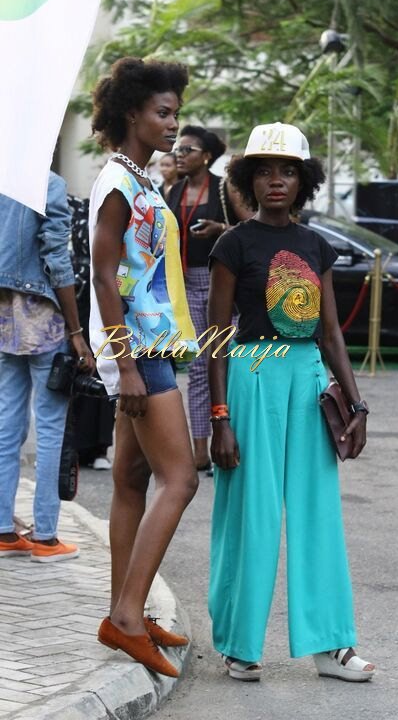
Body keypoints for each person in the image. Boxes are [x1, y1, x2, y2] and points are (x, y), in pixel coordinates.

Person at [207, 122, 375, 682]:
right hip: (252, 376)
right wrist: (219, 417)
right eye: (263, 171)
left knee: (317, 513)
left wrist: (357, 407)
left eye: (287, 171)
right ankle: (239, 644)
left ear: (304, 182)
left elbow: (330, 334)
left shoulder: (316, 245)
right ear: (247, 180)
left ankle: (331, 645)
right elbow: (217, 338)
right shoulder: (233, 245)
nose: (275, 180)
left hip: (307, 380)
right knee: (250, 514)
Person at [89, 57, 199, 677]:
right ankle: (127, 618)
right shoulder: (118, 183)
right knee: (180, 479)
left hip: (152, 343)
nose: (173, 124)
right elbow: (104, 276)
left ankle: (124, 608)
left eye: (176, 113)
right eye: (163, 112)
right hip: (138, 350)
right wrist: (125, 365)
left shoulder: (141, 179)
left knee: (131, 479)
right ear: (132, 112)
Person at [0, 172, 95, 562]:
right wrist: (76, 330)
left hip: (4, 314)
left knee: (7, 423)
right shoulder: (46, 182)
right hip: (44, 313)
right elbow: (57, 258)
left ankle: (4, 532)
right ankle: (46, 537)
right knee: (52, 425)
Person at [167, 125, 252, 475]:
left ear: (205, 156)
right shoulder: (174, 190)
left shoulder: (224, 186)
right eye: (177, 149)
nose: (179, 155)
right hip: (185, 284)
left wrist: (220, 230)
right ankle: (200, 450)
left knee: (226, 363)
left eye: (187, 150)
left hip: (221, 283)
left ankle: (231, 440)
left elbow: (253, 227)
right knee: (198, 368)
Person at [69, 194, 115, 471]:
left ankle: (99, 446)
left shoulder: (112, 204)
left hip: (104, 289)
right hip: (76, 292)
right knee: (76, 367)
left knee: (104, 365)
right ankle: (73, 447)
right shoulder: (69, 206)